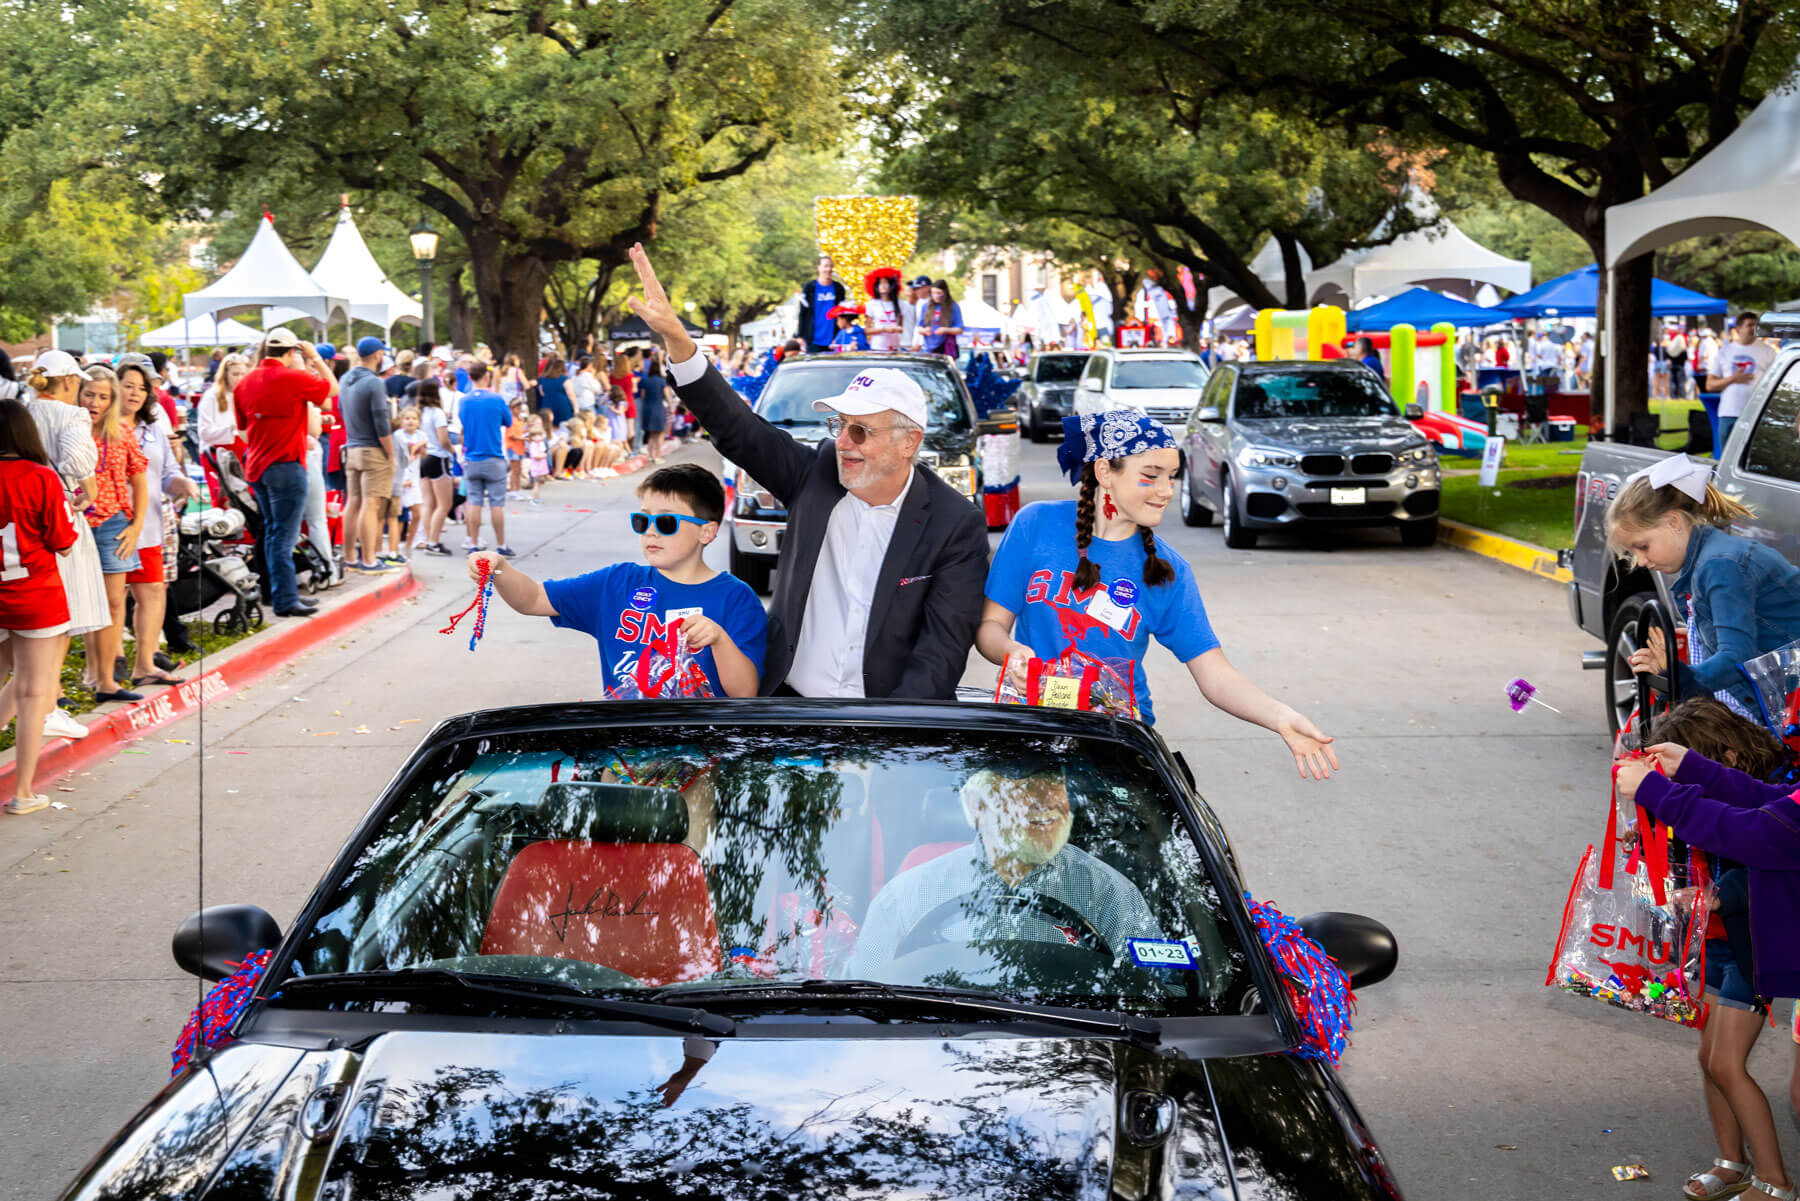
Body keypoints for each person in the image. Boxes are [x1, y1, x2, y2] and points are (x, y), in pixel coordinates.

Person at [629, 242, 987, 698]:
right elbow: (738, 429)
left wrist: (892, 741)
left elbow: (940, 652)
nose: (842, 442)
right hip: (790, 710)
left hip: (889, 722)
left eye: (861, 431)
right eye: (839, 425)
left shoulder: (955, 523)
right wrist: (679, 341)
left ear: (908, 443)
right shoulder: (815, 473)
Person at [977, 411, 1337, 777]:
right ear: (1105, 473)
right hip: (1032, 729)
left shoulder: (1169, 570)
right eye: (1150, 476)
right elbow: (990, 627)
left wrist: (1281, 717)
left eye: (1171, 477)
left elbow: (1215, 674)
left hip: (1118, 743)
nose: (1166, 490)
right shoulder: (1035, 525)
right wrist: (1013, 653)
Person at [1617, 741, 1800, 1201]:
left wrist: (1658, 792)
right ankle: (1736, 1165)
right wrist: (1696, 770)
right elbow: (1774, 803)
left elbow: (1760, 833)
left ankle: (1775, 1184)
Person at [468, 463, 766, 698]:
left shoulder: (736, 598)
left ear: (707, 532)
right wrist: (498, 568)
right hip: (624, 752)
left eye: (665, 522)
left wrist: (719, 639)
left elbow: (745, 692)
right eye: (642, 520)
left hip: (701, 755)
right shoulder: (617, 583)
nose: (650, 531)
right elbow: (532, 599)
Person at [843, 759, 1161, 978]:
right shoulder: (908, 896)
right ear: (977, 806)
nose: (1048, 801)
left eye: (1055, 781)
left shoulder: (1106, 891)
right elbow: (861, 1005)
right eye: (1024, 786)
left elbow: (1161, 988)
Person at [1614, 455, 1800, 709]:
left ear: (1673, 522)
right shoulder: (1707, 560)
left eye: (1643, 547)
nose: (1642, 561)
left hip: (1783, 710)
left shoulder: (1720, 565)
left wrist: (1678, 677)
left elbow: (1736, 658)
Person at [17, 352, 105, 738]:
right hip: (58, 515)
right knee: (61, 615)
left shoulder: (20, 412)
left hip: (20, 520)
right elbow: (79, 459)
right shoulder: (72, 416)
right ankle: (48, 704)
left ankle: (43, 702)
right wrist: (83, 489)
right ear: (69, 381)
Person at [0, 398, 80, 814]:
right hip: (34, 594)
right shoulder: (40, 476)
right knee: (34, 691)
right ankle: (23, 793)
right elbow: (63, 542)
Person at [237, 327, 337, 617]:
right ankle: (284, 599)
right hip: (285, 465)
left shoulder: (246, 382)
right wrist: (316, 357)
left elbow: (242, 427)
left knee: (272, 533)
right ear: (292, 352)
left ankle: (278, 594)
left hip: (257, 466)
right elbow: (332, 389)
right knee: (283, 536)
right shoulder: (293, 378)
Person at [117, 361, 194, 689]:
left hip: (148, 527)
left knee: (152, 593)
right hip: (112, 527)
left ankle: (144, 664)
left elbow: (167, 475)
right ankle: (109, 666)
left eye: (142, 388)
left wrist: (183, 485)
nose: (135, 393)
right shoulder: (100, 428)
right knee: (113, 599)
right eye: (128, 385)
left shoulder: (153, 429)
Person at [78, 366, 148, 702]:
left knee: (114, 601)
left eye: (104, 396)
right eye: (89, 394)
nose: (95, 402)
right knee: (80, 603)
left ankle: (107, 681)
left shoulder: (121, 431)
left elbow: (139, 479)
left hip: (115, 523)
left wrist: (136, 527)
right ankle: (89, 673)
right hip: (76, 523)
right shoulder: (71, 430)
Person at [340, 336, 397, 575]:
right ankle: (369, 560)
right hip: (372, 449)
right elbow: (381, 422)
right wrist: (391, 454)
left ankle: (350, 558)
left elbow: (343, 410)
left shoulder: (345, 378)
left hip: (352, 447)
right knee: (370, 505)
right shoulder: (374, 382)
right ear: (377, 355)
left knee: (353, 502)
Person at [457, 361, 514, 557]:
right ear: (486, 376)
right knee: (497, 503)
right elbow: (508, 421)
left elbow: (462, 423)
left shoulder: (463, 401)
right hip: (493, 456)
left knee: (474, 501)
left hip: (472, 457)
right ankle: (502, 544)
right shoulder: (496, 399)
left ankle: (473, 543)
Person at [1707, 313, 1775, 452]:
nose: (1753, 328)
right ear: (1738, 328)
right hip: (1729, 412)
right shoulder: (1725, 351)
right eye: (1749, 325)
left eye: (1756, 325)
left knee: (1752, 456)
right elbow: (1710, 385)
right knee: (1727, 455)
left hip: (1756, 413)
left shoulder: (1768, 351)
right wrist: (1733, 379)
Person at [196, 353, 249, 456]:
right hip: (216, 453)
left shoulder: (247, 394)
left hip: (242, 451)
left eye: (243, 374)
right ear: (225, 375)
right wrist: (232, 428)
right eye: (235, 374)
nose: (240, 378)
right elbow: (204, 433)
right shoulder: (211, 396)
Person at [799, 255, 848, 354]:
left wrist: (840, 335)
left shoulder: (838, 289)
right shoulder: (809, 288)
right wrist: (800, 336)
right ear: (819, 268)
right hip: (813, 339)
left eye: (830, 266)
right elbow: (803, 313)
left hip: (834, 340)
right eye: (825, 266)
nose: (828, 269)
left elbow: (843, 315)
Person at [392, 406, 426, 543]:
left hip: (415, 477)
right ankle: (396, 544)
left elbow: (424, 456)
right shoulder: (398, 435)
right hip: (401, 477)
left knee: (417, 513)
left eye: (414, 418)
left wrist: (422, 448)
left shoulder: (421, 435)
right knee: (400, 515)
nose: (410, 421)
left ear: (419, 422)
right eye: (407, 418)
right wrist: (416, 447)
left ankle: (411, 541)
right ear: (401, 421)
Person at [640, 351, 671, 462]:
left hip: (647, 407)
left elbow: (643, 396)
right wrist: (671, 407)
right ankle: (657, 455)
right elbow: (667, 396)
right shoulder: (662, 381)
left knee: (651, 433)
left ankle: (650, 455)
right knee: (660, 432)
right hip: (658, 407)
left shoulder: (645, 381)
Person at [921, 281, 964, 359]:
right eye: (933, 293)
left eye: (939, 293)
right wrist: (925, 330)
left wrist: (945, 330)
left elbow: (960, 329)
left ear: (945, 292)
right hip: (929, 348)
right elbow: (919, 327)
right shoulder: (926, 306)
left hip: (946, 347)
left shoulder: (953, 306)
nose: (936, 296)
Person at [866, 271, 905, 352]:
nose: (883, 286)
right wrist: (883, 329)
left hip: (895, 348)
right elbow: (867, 330)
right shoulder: (871, 304)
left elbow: (901, 328)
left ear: (892, 285)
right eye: (880, 283)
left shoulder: (900, 303)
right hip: (877, 348)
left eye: (886, 283)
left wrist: (896, 329)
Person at [524, 413, 551, 504]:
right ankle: (535, 499)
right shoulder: (533, 445)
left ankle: (537, 498)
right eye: (536, 436)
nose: (539, 437)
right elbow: (535, 455)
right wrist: (543, 455)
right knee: (536, 484)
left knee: (539, 484)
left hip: (541, 467)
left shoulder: (540, 443)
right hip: (537, 468)